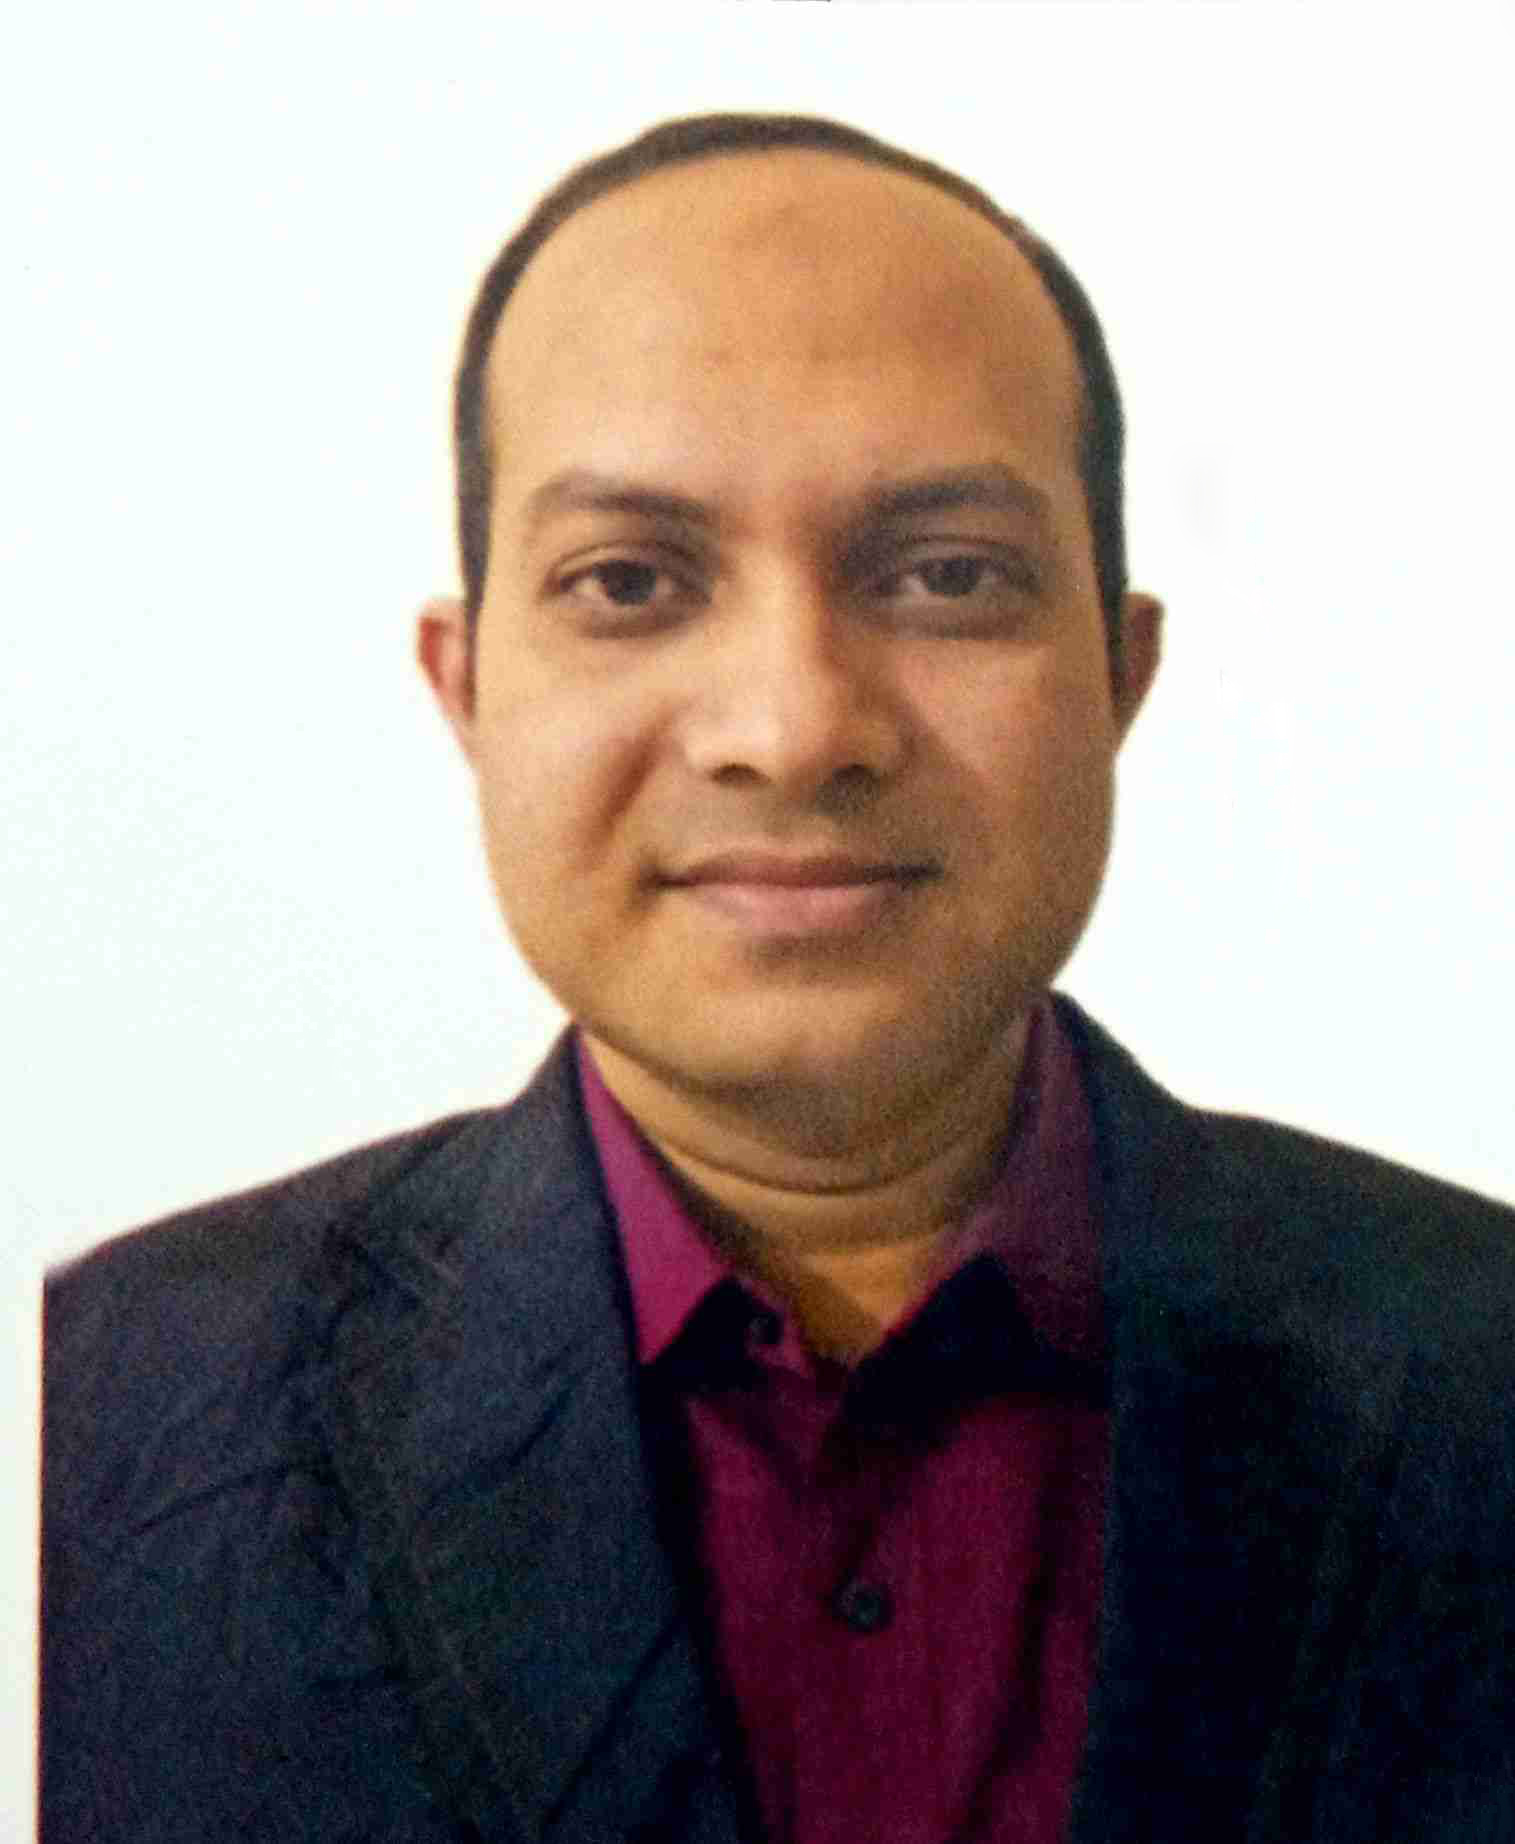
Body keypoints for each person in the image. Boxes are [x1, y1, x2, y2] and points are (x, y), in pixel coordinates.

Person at [41, 112, 1515, 1844]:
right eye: (630, 582)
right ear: (468, 689)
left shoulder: (1477, 1370)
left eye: (947, 577)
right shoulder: (92, 1427)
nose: (797, 726)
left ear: (1119, 677)